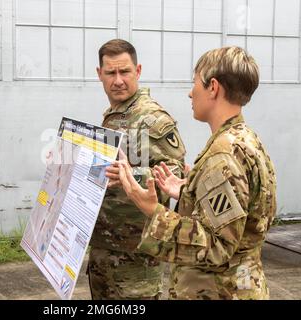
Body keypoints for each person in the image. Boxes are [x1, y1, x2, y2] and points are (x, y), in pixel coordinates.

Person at [116, 46, 277, 299]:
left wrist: (153, 210)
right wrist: (186, 192)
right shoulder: (247, 140)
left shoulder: (223, 156)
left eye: (195, 83)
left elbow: (216, 245)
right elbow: (247, 218)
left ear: (213, 87)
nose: (191, 93)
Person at [88, 39, 187, 299]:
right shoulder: (116, 114)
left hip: (136, 257)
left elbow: (176, 176)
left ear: (138, 71)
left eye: (125, 72)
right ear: (100, 74)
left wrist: (130, 176)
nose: (118, 80)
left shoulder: (152, 119)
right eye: (110, 73)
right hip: (106, 250)